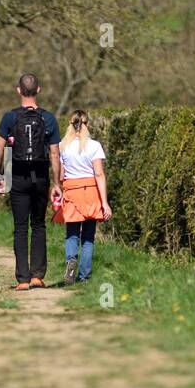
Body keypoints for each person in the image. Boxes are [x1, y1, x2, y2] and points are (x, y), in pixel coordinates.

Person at [0, 73, 61, 291]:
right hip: (40, 177)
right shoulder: (49, 119)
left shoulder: (10, 118)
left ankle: (22, 279)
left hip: (19, 177)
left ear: (18, 91)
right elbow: (54, 154)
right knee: (39, 225)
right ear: (38, 90)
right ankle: (37, 276)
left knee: (21, 227)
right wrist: (56, 183)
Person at [55, 109, 111, 284]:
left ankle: (71, 260)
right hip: (91, 193)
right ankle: (84, 276)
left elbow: (62, 175)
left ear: (70, 125)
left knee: (72, 234)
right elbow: (99, 174)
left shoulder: (62, 146)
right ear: (87, 125)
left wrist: (58, 189)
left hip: (71, 191)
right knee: (88, 237)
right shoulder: (94, 146)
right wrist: (105, 203)